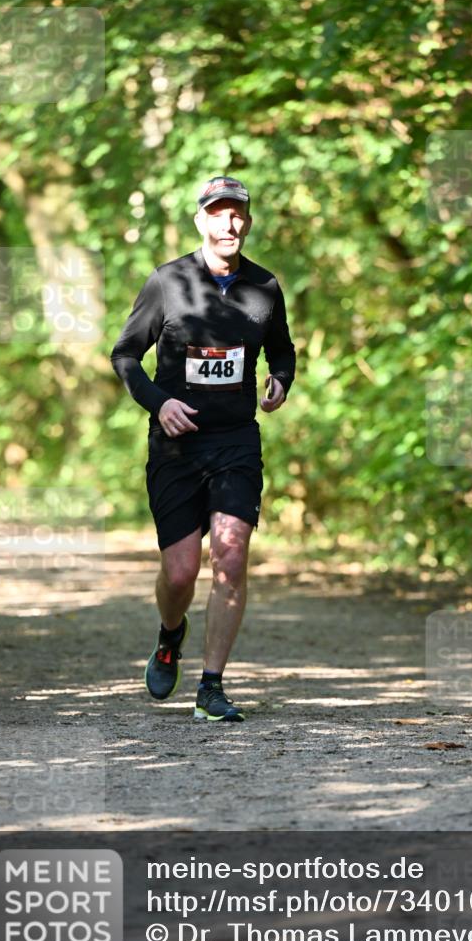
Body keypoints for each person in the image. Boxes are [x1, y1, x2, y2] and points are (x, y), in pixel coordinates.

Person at [110, 176, 296, 723]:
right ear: (201, 221)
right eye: (218, 213)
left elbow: (282, 351)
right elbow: (125, 356)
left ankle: (211, 687)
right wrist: (158, 403)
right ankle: (171, 636)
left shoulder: (265, 287)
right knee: (180, 572)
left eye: (237, 213)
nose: (229, 223)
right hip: (177, 444)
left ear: (248, 221)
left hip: (236, 440)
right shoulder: (167, 281)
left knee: (232, 555)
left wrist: (281, 381)